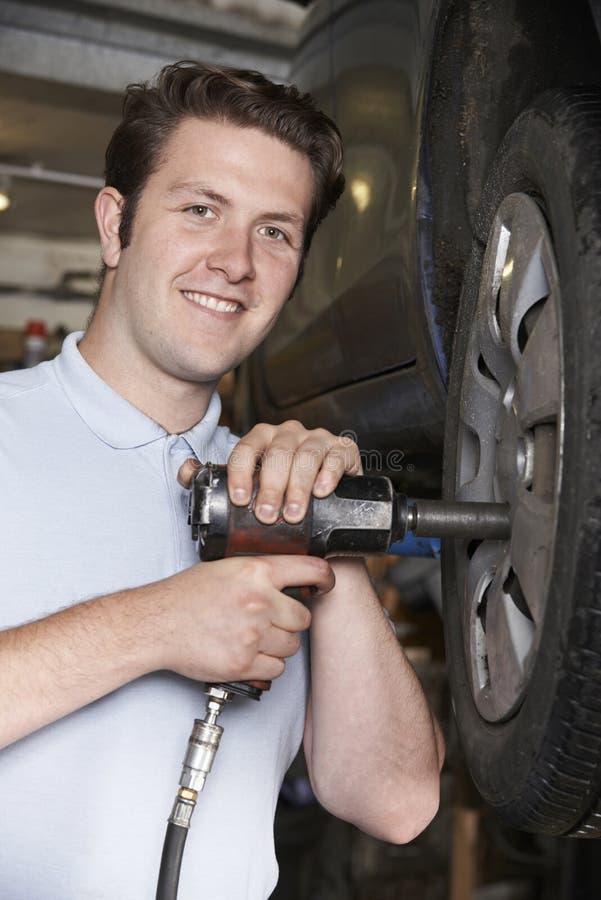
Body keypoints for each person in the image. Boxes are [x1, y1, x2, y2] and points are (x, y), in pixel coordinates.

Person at [0, 62, 443, 899]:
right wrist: (152, 626)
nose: (235, 261)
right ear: (114, 225)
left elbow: (397, 803)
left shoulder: (271, 484)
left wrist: (326, 538)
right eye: (200, 210)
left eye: (275, 231)